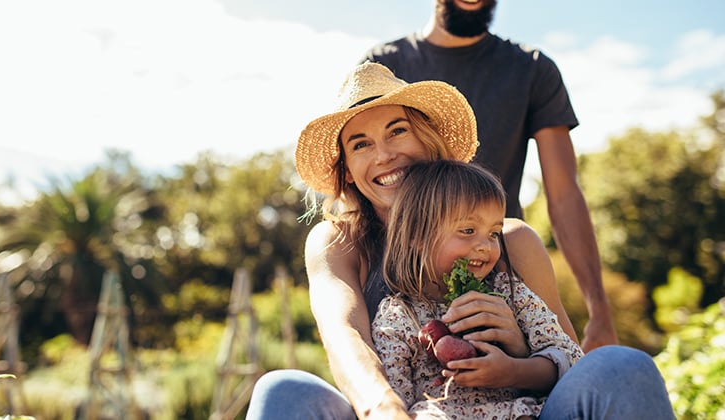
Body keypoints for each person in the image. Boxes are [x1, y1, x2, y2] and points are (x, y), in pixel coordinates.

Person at [245, 62, 673, 419]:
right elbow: (344, 336)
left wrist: (518, 354)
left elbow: (568, 359)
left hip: (520, 411)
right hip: (408, 411)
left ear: (430, 140)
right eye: (361, 144)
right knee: (282, 389)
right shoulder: (339, 241)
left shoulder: (511, 241)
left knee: (622, 366)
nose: (383, 155)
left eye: (398, 131)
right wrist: (386, 410)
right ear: (348, 169)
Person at [360, 0, 617, 352]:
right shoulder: (386, 65)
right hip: (400, 273)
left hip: (497, 269)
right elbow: (362, 168)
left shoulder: (532, 69)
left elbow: (563, 194)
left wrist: (599, 309)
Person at [373, 159, 583, 419]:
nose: (485, 245)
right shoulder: (399, 316)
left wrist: (514, 369)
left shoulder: (509, 295)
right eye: (468, 230)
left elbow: (573, 360)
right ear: (418, 236)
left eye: (494, 233)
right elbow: (394, 397)